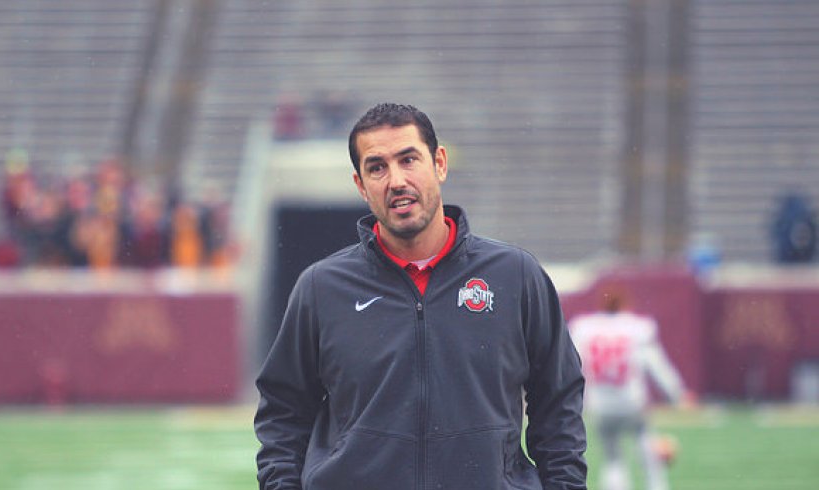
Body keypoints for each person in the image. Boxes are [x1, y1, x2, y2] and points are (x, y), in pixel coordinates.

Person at [255, 103, 587, 489]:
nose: (396, 180)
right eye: (377, 167)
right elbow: (283, 412)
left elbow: (558, 401)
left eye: (408, 159)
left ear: (439, 163)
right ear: (361, 186)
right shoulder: (321, 287)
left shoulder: (515, 275)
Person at [568, 292, 692, 490]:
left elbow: (571, 365)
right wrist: (677, 393)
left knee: (613, 459)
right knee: (647, 449)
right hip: (631, 401)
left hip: (601, 404)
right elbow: (656, 364)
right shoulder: (636, 328)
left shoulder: (585, 328)